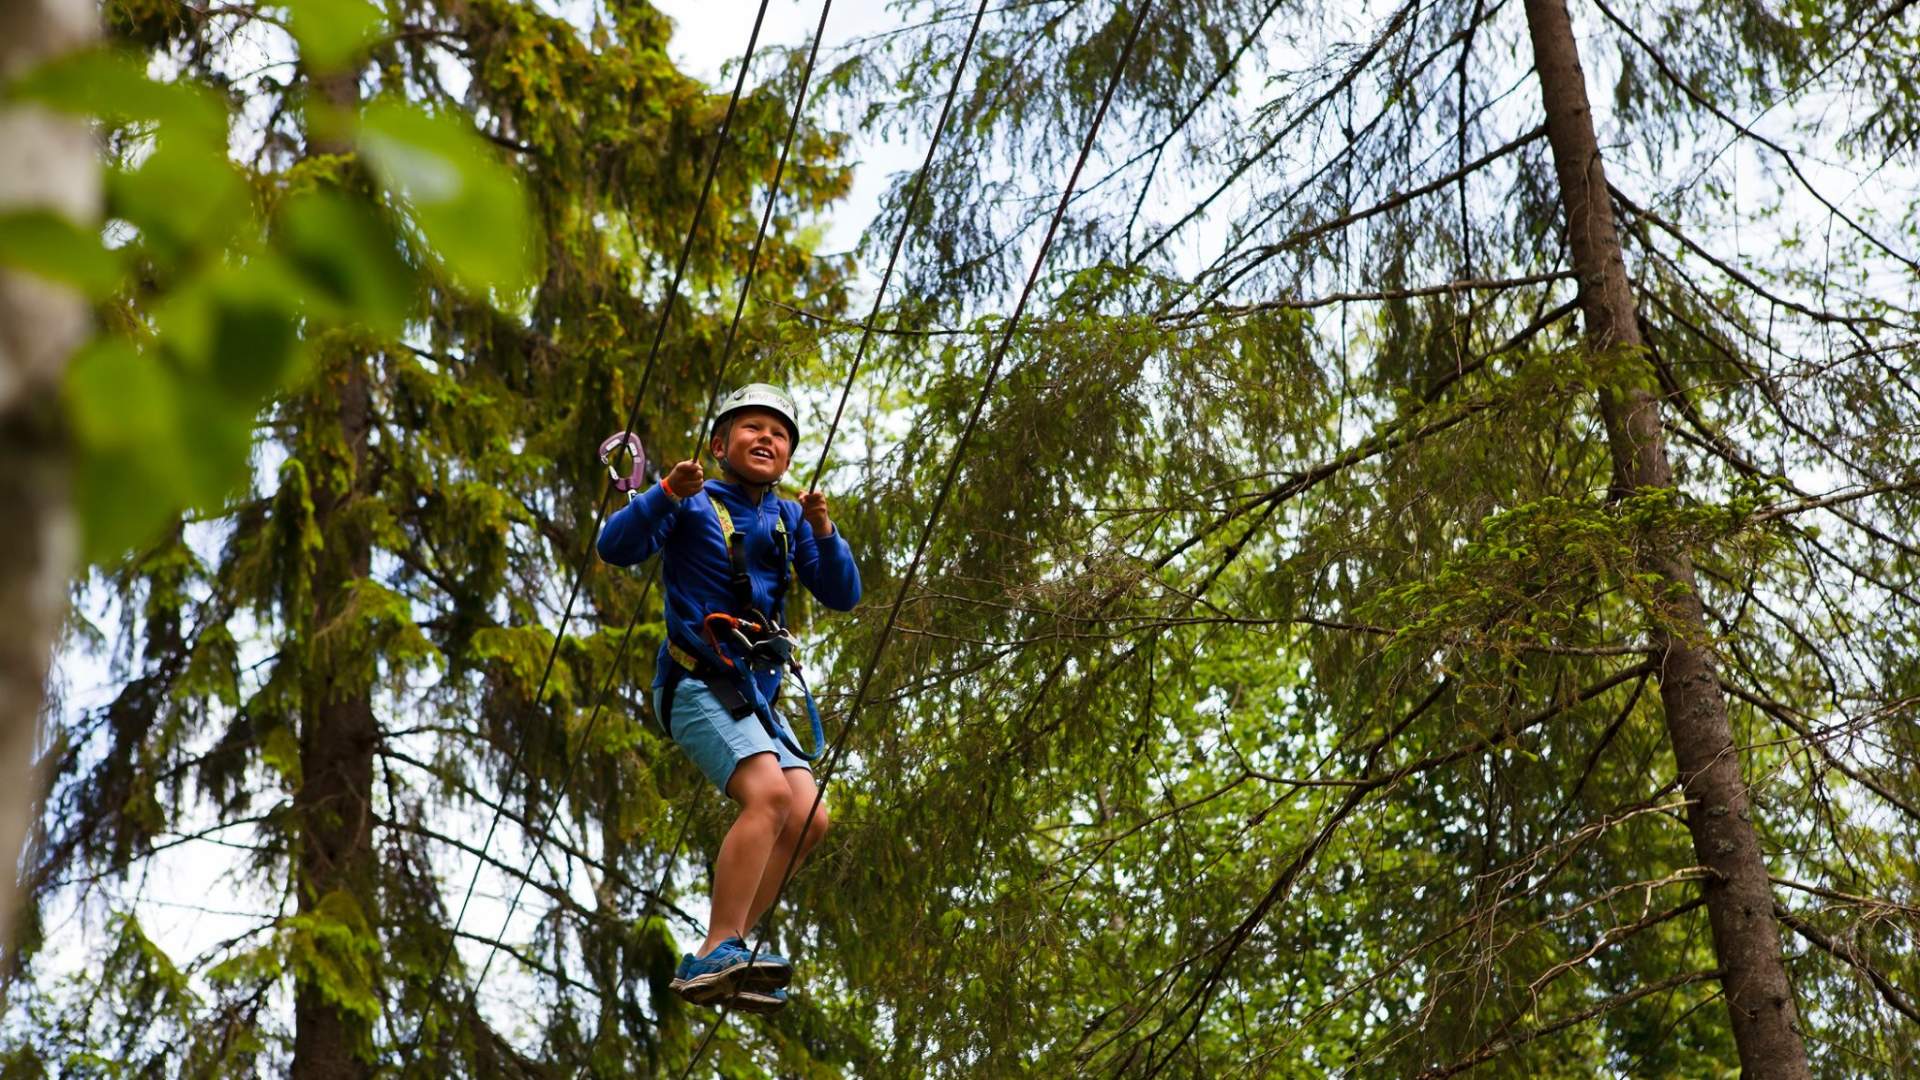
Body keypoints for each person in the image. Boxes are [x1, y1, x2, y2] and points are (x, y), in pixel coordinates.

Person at [596, 383, 860, 1014]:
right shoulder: (691, 503)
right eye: (751, 429)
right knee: (769, 796)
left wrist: (824, 531)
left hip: (755, 694)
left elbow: (842, 592)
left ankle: (731, 945)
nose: (766, 438)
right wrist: (663, 493)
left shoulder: (790, 517)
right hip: (695, 679)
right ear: (719, 446)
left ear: (789, 458)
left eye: (779, 433)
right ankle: (720, 944)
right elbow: (615, 547)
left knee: (807, 819)